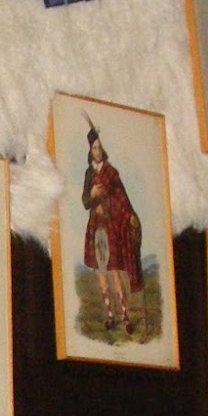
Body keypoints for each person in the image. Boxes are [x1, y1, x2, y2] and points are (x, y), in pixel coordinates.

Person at [80, 125, 144, 334]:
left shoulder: (111, 173)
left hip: (110, 225)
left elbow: (121, 197)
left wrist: (129, 214)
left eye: (100, 147)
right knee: (101, 271)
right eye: (94, 148)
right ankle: (109, 315)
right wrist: (92, 193)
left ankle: (125, 315)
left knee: (114, 270)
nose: (97, 151)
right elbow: (85, 202)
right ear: (90, 151)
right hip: (96, 226)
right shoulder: (89, 173)